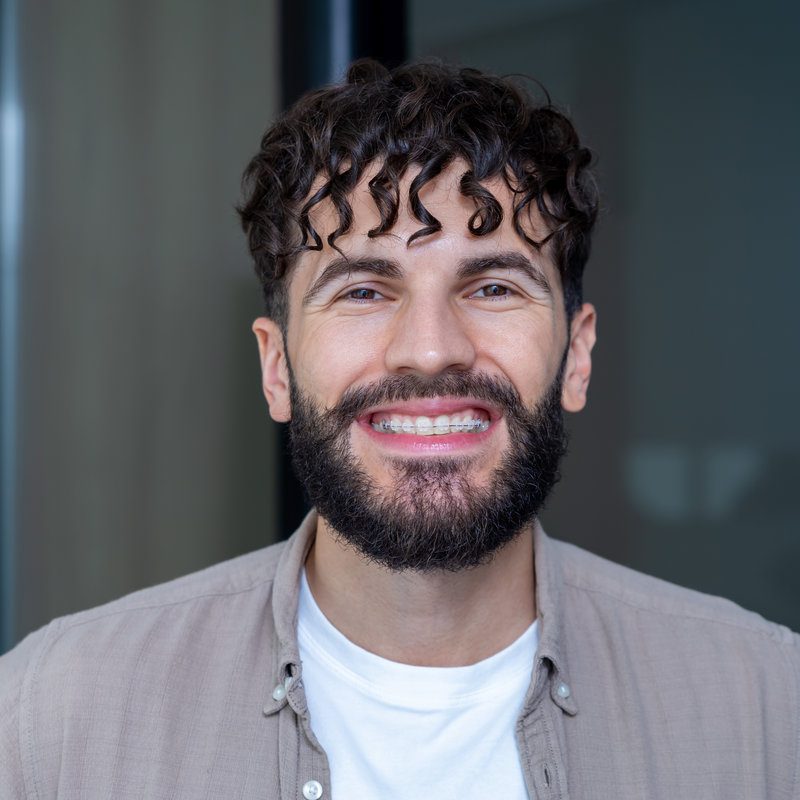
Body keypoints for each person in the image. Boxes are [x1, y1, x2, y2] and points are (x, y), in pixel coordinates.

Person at [1, 59, 797, 799]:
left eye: (492, 287)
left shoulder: (767, 708)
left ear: (577, 355)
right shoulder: (52, 719)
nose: (430, 349)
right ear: (276, 368)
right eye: (362, 291)